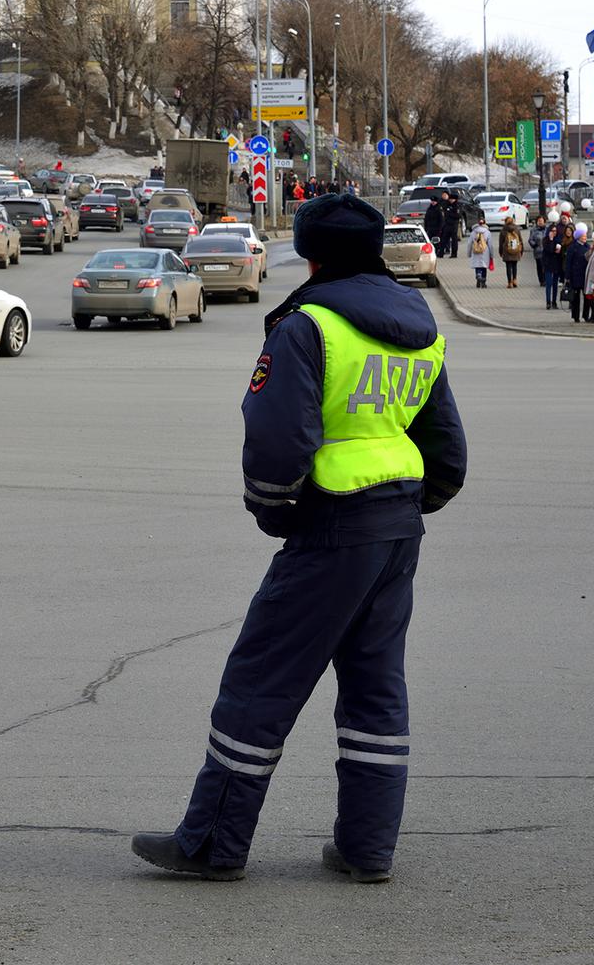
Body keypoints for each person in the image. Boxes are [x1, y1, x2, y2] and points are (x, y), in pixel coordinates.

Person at [129, 193, 467, 884]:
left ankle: (211, 845)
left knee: (260, 684)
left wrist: (278, 512)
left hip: (333, 522)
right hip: (399, 524)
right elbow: (446, 447)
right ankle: (367, 849)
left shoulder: (309, 324)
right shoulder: (418, 324)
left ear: (312, 255)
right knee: (376, 691)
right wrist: (411, 503)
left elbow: (280, 439)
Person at [564, 227, 590, 322]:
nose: (585, 238)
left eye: (585, 236)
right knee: (575, 297)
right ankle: (575, 316)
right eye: (583, 236)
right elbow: (568, 262)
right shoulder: (572, 247)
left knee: (587, 296)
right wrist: (567, 276)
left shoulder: (588, 246)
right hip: (575, 275)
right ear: (578, 237)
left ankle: (586, 315)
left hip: (585, 275)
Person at [498, 217, 524, 288]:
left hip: (507, 251)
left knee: (508, 267)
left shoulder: (503, 230)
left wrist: (500, 252)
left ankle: (510, 282)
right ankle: (515, 280)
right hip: (516, 250)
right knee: (514, 266)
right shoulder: (516, 229)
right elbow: (521, 240)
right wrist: (521, 251)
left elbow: (501, 243)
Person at [541, 224, 563, 309]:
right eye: (552, 231)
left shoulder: (558, 240)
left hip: (556, 264)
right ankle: (548, 302)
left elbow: (559, 251)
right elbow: (549, 250)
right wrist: (550, 240)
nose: (554, 233)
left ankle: (554, 301)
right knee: (549, 283)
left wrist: (558, 251)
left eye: (555, 231)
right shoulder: (546, 240)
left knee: (555, 284)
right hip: (548, 264)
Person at [467, 220, 492, 287]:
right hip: (485, 251)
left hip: (475, 251)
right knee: (484, 266)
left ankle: (478, 275)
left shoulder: (473, 232)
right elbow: (490, 245)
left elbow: (469, 243)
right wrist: (491, 254)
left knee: (477, 265)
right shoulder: (487, 232)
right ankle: (483, 281)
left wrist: (469, 253)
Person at [528, 220, 545, 285]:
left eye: (541, 221)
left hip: (546, 251)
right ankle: (542, 280)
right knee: (540, 266)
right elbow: (530, 240)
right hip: (538, 251)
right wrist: (534, 245)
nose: (540, 222)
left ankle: (546, 279)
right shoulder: (533, 230)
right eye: (539, 221)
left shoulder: (547, 229)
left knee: (546, 267)